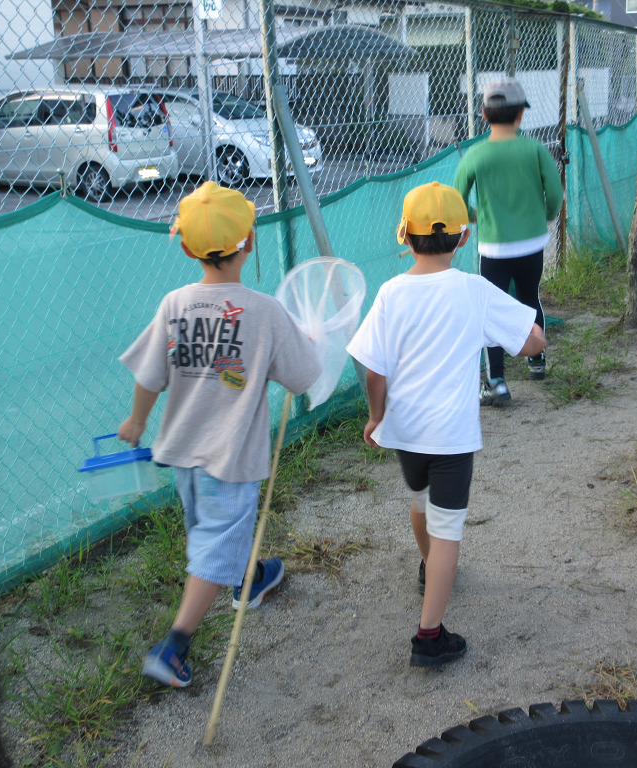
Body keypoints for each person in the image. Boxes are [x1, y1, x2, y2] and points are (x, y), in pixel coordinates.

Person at [117, 181, 321, 688]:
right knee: (215, 543)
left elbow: (149, 373)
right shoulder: (265, 311)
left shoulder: (175, 304)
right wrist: (307, 341)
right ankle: (175, 644)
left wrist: (137, 421)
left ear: (186, 247)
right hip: (228, 459)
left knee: (213, 533)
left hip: (182, 453)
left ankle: (250, 578)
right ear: (249, 241)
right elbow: (303, 376)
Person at [347, 182, 546, 667]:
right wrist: (531, 334)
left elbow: (374, 370)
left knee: (421, 503)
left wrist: (377, 416)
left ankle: (428, 565)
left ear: (405, 237)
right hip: (451, 438)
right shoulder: (474, 290)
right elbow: (532, 341)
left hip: (406, 432)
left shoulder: (391, 292)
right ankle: (429, 635)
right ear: (462, 239)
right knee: (449, 530)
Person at [453, 76, 563, 406]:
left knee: (491, 309)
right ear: (521, 115)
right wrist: (542, 214)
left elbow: (457, 201)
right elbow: (555, 194)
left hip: (493, 247)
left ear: (484, 116)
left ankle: (497, 382)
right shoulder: (535, 149)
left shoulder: (475, 155)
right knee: (530, 296)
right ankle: (537, 360)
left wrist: (477, 215)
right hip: (531, 243)